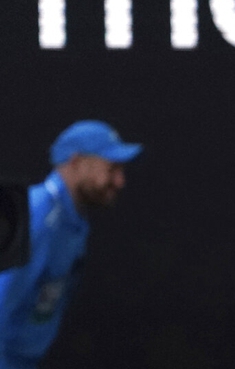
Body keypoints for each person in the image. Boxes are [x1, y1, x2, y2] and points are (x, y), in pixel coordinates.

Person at [0, 119, 142, 369]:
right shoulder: (37, 216)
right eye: (111, 169)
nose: (120, 181)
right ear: (77, 162)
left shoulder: (73, 221)